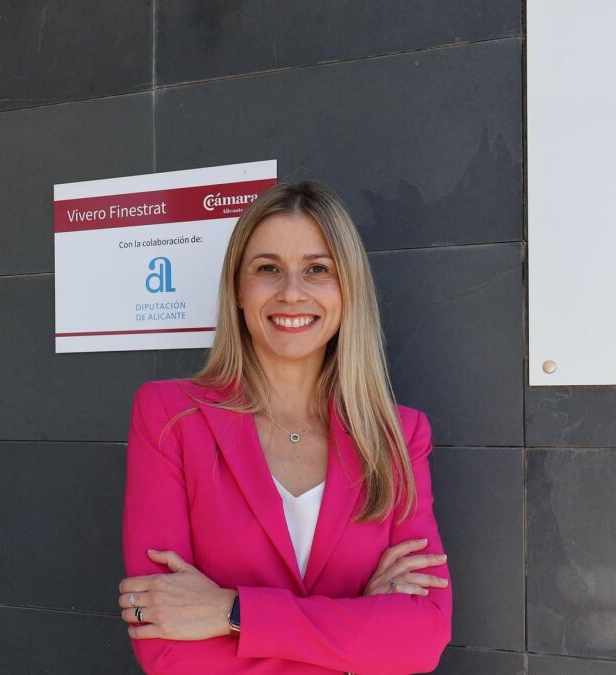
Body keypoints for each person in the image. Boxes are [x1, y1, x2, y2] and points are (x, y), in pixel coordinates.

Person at [118, 181, 451, 674]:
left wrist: (231, 612)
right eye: (267, 268)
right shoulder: (170, 417)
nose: (292, 292)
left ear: (348, 290)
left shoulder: (397, 436)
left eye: (318, 269)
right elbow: (164, 644)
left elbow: (421, 638)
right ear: (237, 289)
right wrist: (357, 628)